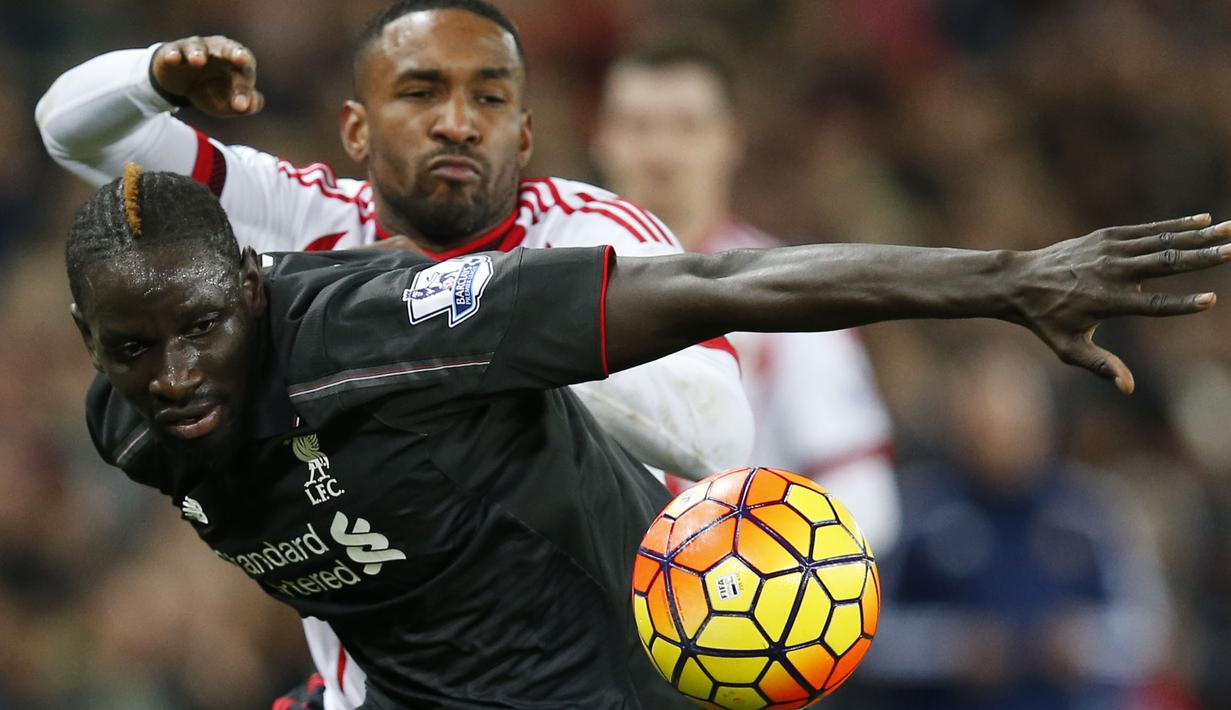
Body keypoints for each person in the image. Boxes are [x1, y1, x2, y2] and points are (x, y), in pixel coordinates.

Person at [67, 161, 1229, 707]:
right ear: (88, 335)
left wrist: (1009, 277)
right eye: (131, 345)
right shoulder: (129, 428)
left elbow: (720, 284)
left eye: (202, 326)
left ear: (256, 288)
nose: (173, 374)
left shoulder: (392, 330)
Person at [34, 2, 754, 705]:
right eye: (419, 92)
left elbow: (716, 431)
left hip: (582, 666)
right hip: (378, 678)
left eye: (490, 97)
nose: (457, 122)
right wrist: (152, 79)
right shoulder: (300, 220)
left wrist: (476, 335)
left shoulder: (588, 232)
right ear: (356, 127)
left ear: (524, 133)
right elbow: (71, 132)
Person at [592, 39, 902, 551]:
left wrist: (767, 574)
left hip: (732, 603)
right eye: (638, 126)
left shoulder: (793, 291)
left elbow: (863, 491)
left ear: (730, 139)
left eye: (687, 126)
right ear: (602, 137)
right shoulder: (543, 280)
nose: (662, 152)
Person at [860, 341, 1172, 710]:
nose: (1000, 438)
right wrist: (952, 648)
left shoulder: (1092, 509)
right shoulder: (913, 507)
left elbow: (1152, 631)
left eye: (1014, 423)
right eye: (985, 424)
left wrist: (1082, 643)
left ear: (1044, 424)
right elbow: (861, 634)